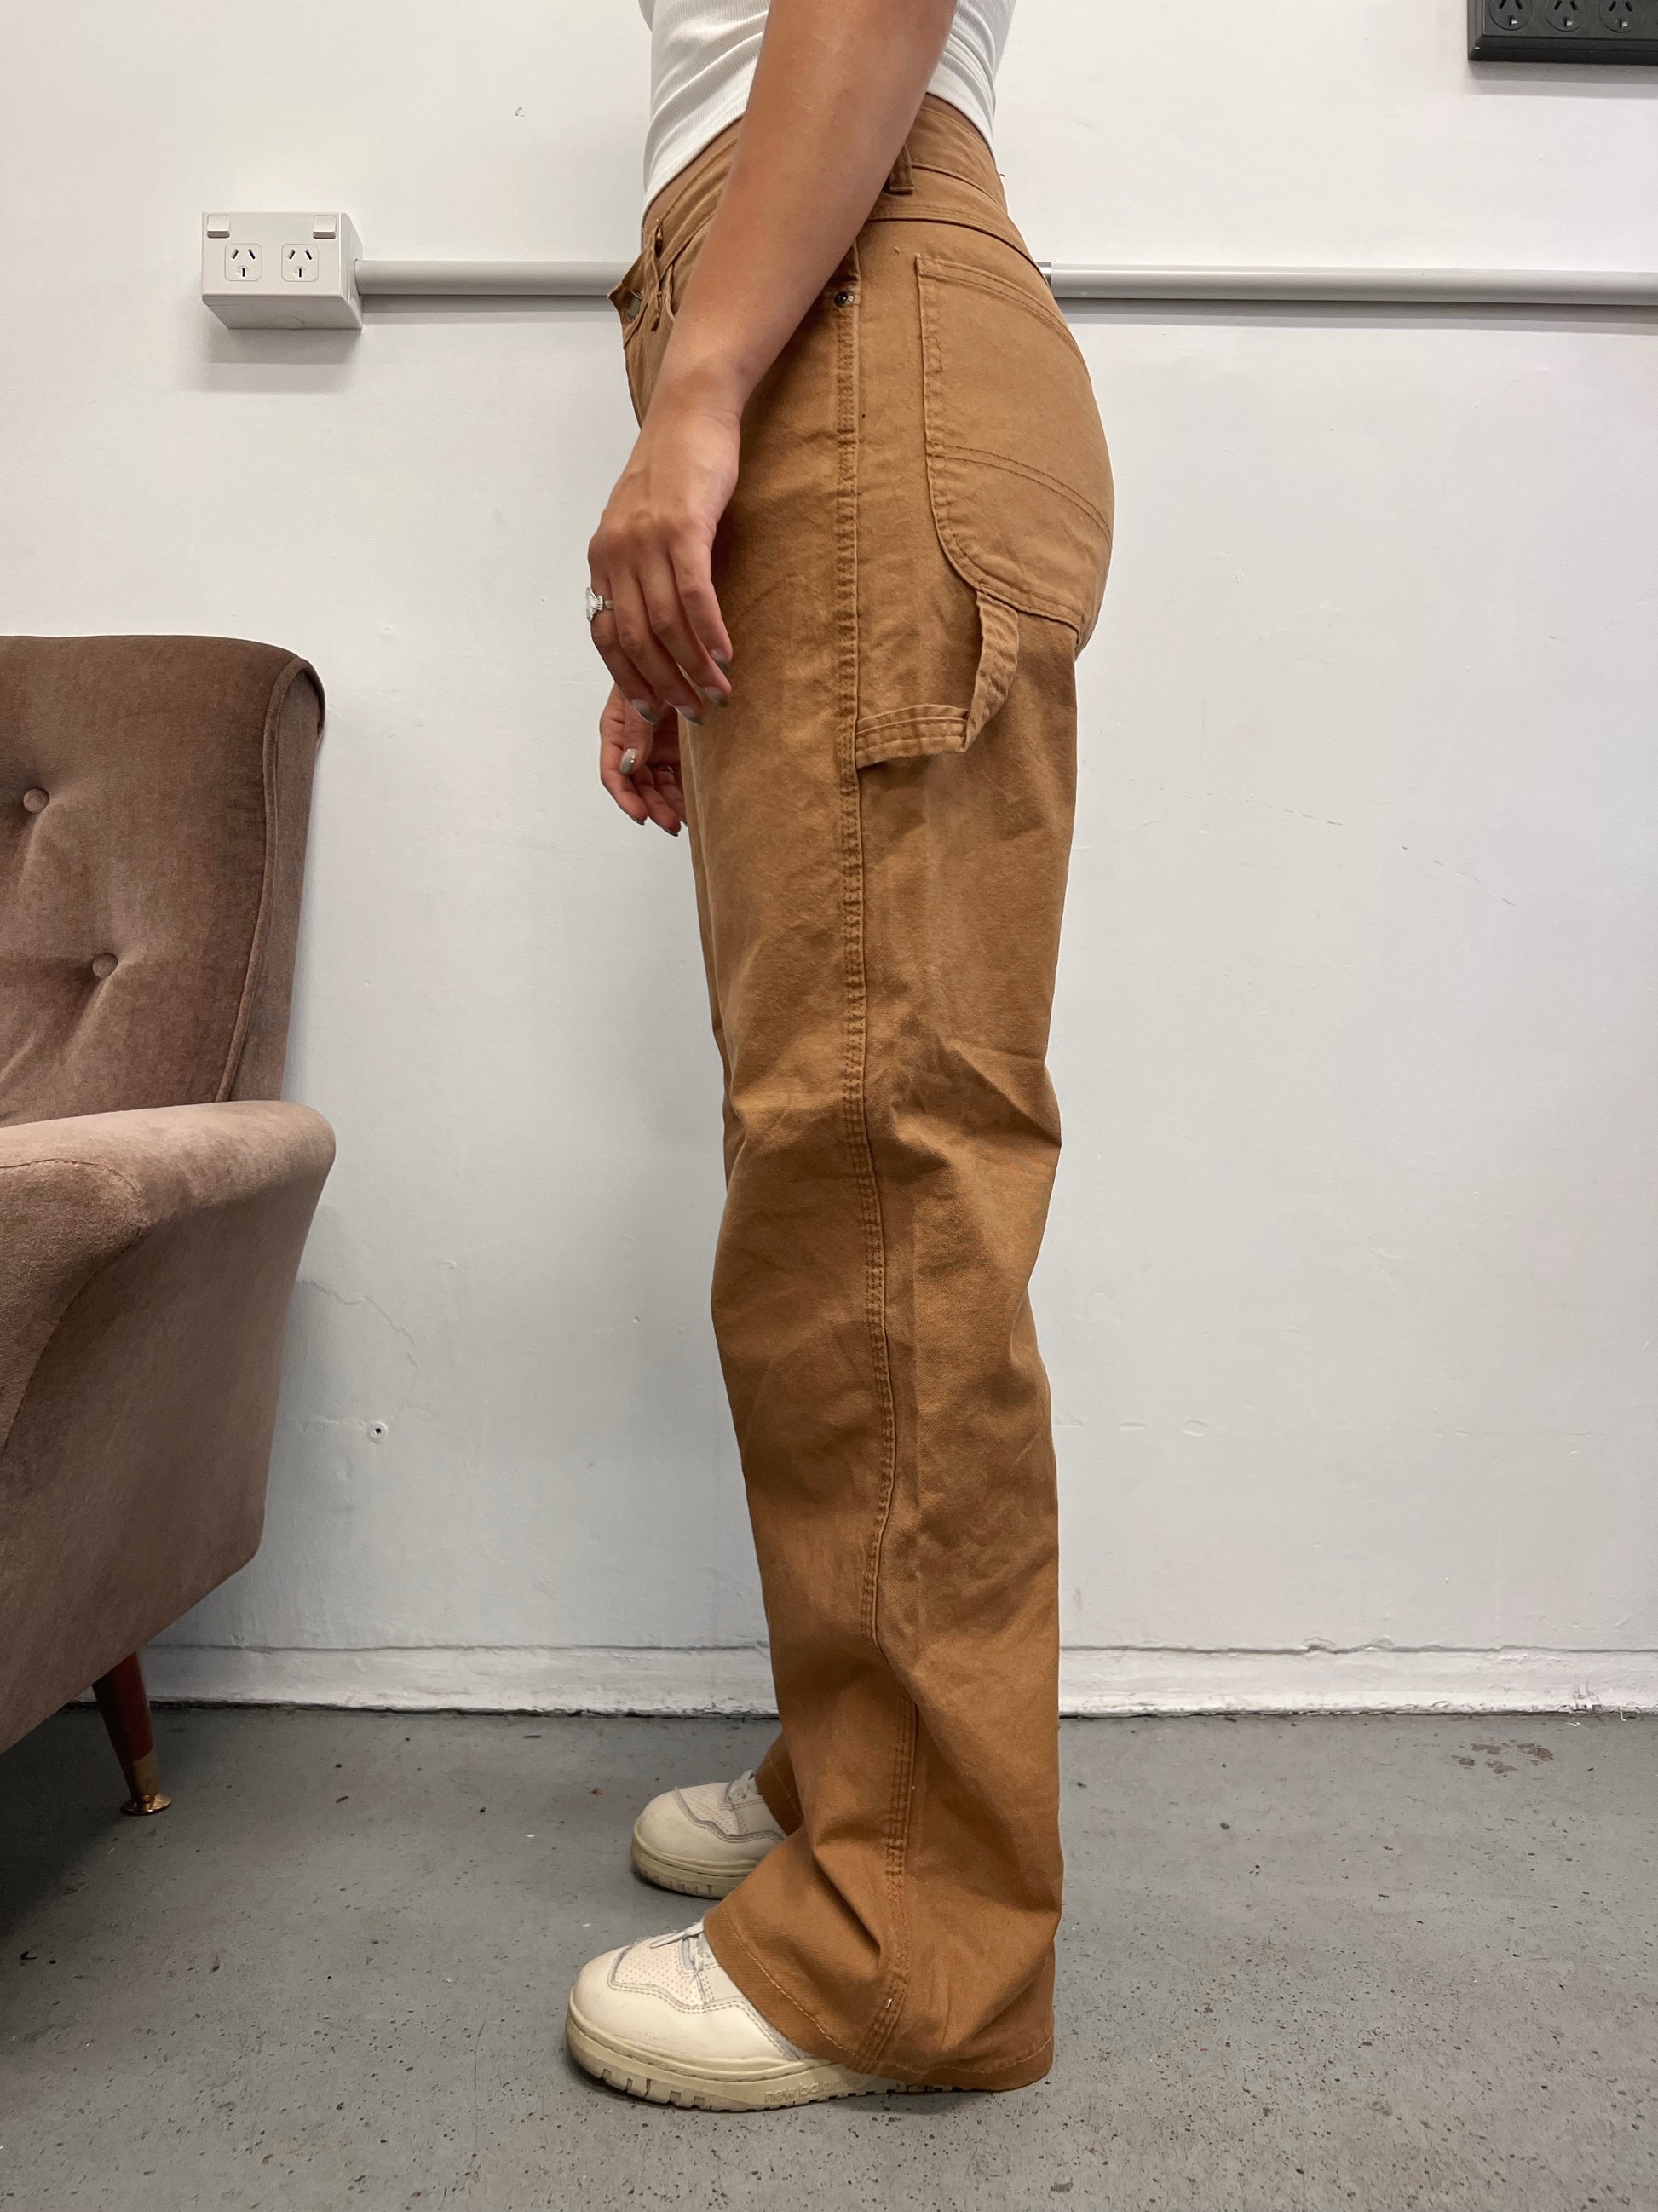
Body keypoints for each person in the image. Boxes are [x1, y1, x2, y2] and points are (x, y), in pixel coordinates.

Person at [566, 0, 1114, 2111]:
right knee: (830, 1129)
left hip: (848, 307)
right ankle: (858, 1775)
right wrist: (691, 487)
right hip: (824, 316)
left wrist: (706, 389)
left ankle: (910, 1943)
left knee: (878, 1150)